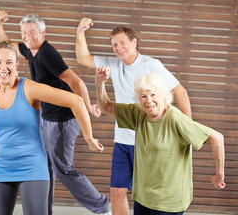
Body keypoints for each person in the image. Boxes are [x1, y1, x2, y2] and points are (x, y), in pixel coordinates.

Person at [0, 41, 104, 215]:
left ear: (16, 65)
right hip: (0, 166)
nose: (3, 67)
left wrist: (89, 138)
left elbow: (76, 101)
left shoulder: (28, 89)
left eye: (9, 62)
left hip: (32, 166)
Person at [0, 11, 111, 215]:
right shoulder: (31, 50)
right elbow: (5, 44)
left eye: (32, 32)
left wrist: (89, 107)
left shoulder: (47, 54)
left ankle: (102, 208)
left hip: (63, 120)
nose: (27, 36)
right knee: (43, 169)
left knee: (63, 170)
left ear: (42, 32)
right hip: (46, 119)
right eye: (24, 32)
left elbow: (76, 81)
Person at [76, 18, 192, 215]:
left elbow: (181, 92)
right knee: (117, 191)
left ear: (134, 42)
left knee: (147, 193)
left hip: (147, 140)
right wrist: (80, 32)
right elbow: (83, 58)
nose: (119, 48)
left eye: (123, 43)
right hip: (122, 139)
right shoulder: (112, 64)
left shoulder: (151, 65)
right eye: (114, 45)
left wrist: (186, 130)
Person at [95, 67, 225, 215]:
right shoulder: (139, 113)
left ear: (163, 95)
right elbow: (106, 107)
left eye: (153, 94)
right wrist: (100, 83)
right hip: (143, 198)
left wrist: (219, 174)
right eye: (143, 96)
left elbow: (217, 138)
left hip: (168, 201)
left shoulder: (175, 118)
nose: (149, 100)